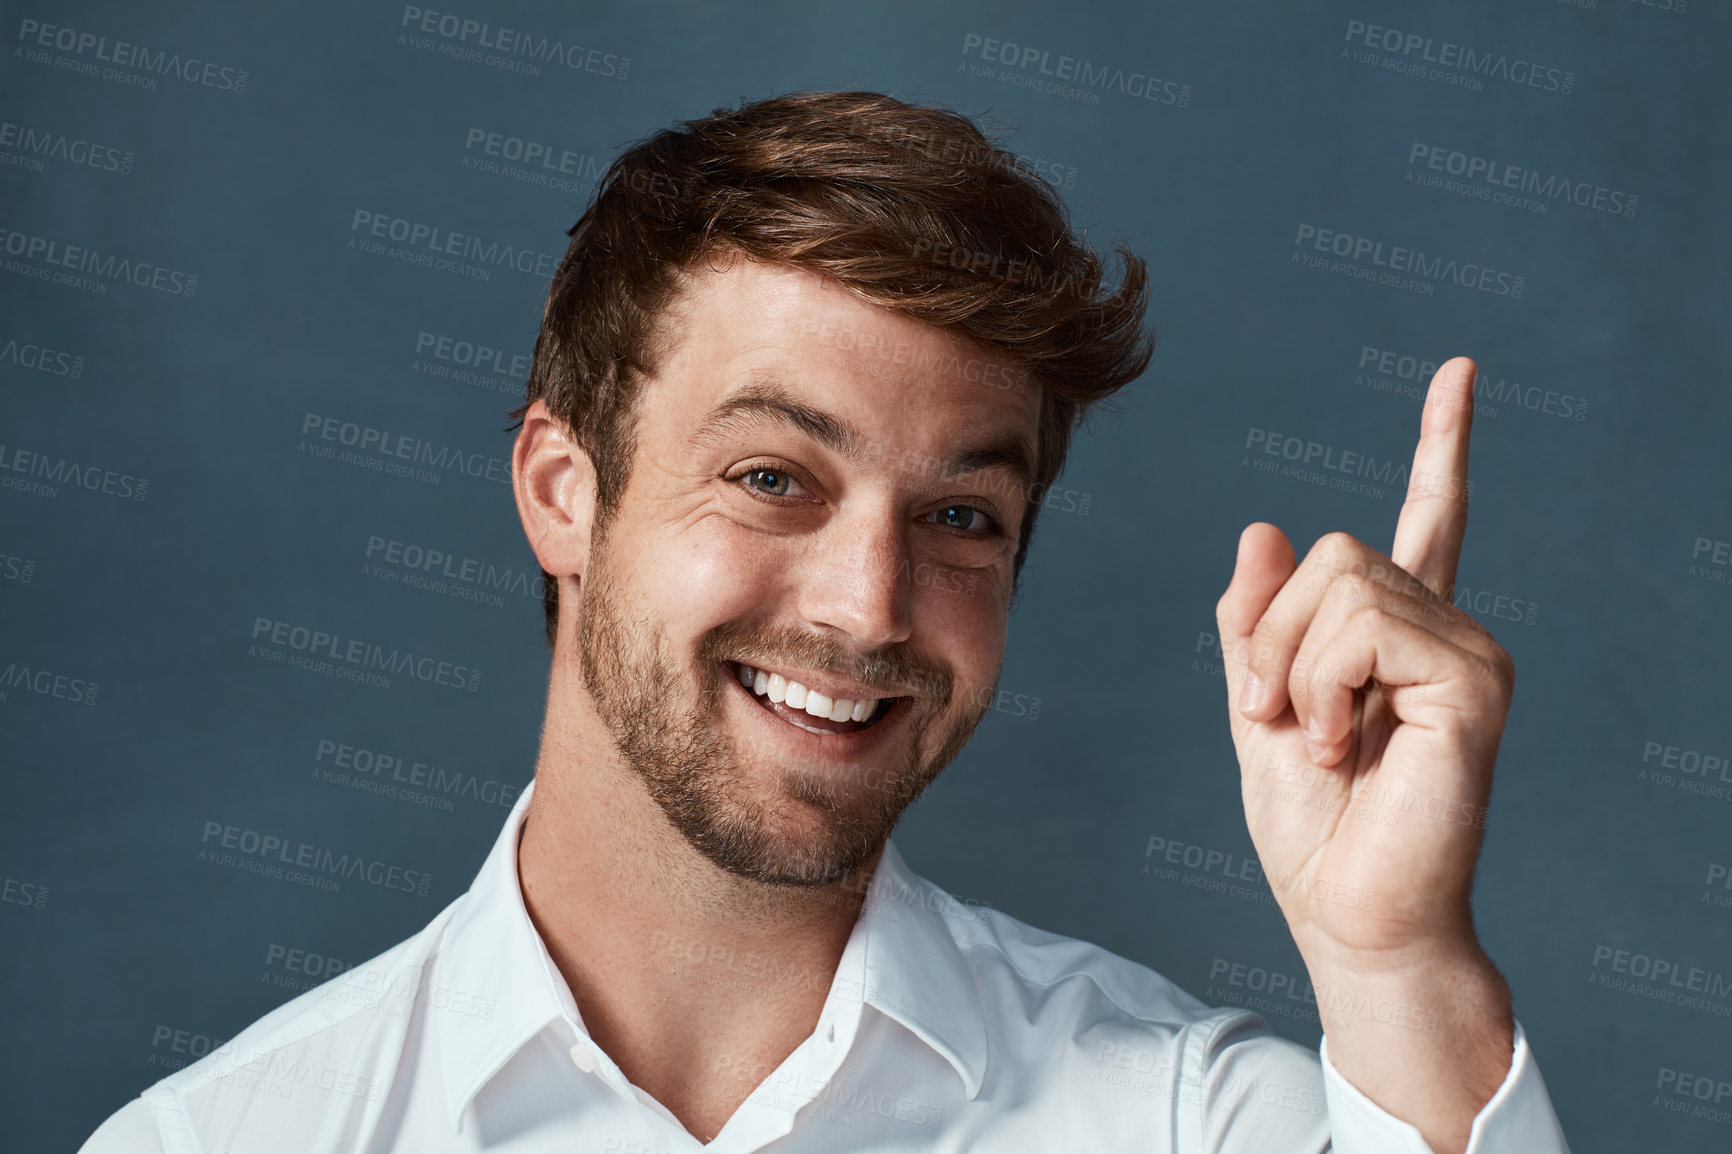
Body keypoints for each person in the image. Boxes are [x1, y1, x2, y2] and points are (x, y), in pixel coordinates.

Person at [82, 91, 1571, 1154]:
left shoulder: (1185, 1116)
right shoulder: (218, 1134)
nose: (870, 604)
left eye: (962, 517)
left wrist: (1396, 963)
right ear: (562, 491)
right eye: (774, 476)